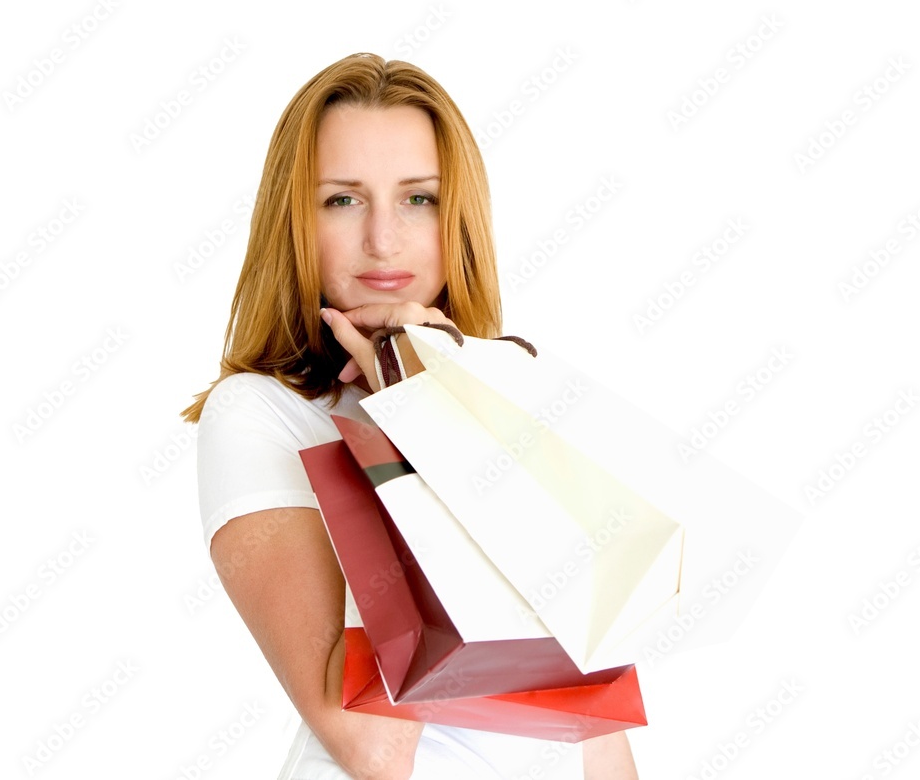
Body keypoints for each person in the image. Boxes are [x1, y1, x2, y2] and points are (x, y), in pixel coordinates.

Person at [182, 53, 639, 780]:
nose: (384, 240)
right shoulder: (262, 416)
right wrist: (411, 410)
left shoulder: (507, 397)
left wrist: (450, 384)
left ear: (455, 216)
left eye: (418, 198)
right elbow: (371, 744)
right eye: (343, 200)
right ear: (294, 220)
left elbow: (594, 721)